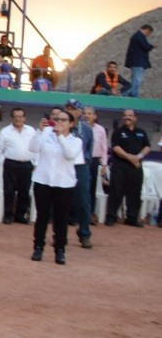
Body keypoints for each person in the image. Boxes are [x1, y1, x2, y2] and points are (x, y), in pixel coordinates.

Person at [28, 110, 82, 265]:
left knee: (61, 218)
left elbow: (70, 154)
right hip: (43, 180)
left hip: (64, 183)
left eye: (63, 120)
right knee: (42, 216)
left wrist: (60, 137)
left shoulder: (75, 141)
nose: (59, 122)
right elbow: (32, 148)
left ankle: (60, 250)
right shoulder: (45, 134)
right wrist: (39, 131)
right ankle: (38, 247)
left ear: (71, 124)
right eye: (57, 119)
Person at [105, 109, 150, 227]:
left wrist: (138, 157)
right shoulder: (118, 132)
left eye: (130, 115)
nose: (127, 117)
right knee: (116, 192)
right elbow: (115, 148)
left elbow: (147, 147)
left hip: (136, 168)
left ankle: (132, 218)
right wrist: (131, 158)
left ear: (135, 118)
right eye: (125, 115)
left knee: (135, 193)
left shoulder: (142, 132)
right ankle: (111, 217)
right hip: (120, 166)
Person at [0, 107, 36, 224]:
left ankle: (20, 215)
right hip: (11, 163)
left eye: (20, 116)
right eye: (15, 116)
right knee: (9, 190)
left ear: (24, 118)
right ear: (12, 118)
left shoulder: (31, 130)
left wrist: (36, 162)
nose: (18, 119)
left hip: (27, 164)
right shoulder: (5, 131)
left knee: (24, 191)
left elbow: (37, 147)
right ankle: (8, 215)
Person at [63, 99, 94, 248]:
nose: (70, 111)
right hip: (63, 166)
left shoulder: (87, 130)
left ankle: (84, 234)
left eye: (73, 109)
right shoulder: (61, 126)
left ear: (80, 112)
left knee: (83, 202)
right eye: (67, 108)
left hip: (80, 167)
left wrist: (86, 168)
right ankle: (60, 235)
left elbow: (89, 150)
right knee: (61, 201)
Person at [85, 106, 108, 221]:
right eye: (85, 113)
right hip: (81, 161)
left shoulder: (101, 130)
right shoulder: (80, 128)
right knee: (79, 187)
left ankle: (89, 214)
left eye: (90, 113)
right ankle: (74, 215)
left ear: (95, 116)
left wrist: (104, 164)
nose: (87, 115)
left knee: (91, 188)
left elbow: (104, 148)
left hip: (94, 161)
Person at [124, 25, 154, 98]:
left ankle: (132, 94)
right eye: (149, 32)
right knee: (137, 80)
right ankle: (132, 95)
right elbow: (145, 46)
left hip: (137, 62)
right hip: (137, 62)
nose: (149, 35)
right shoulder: (138, 36)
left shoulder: (138, 36)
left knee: (136, 79)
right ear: (146, 29)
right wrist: (151, 46)